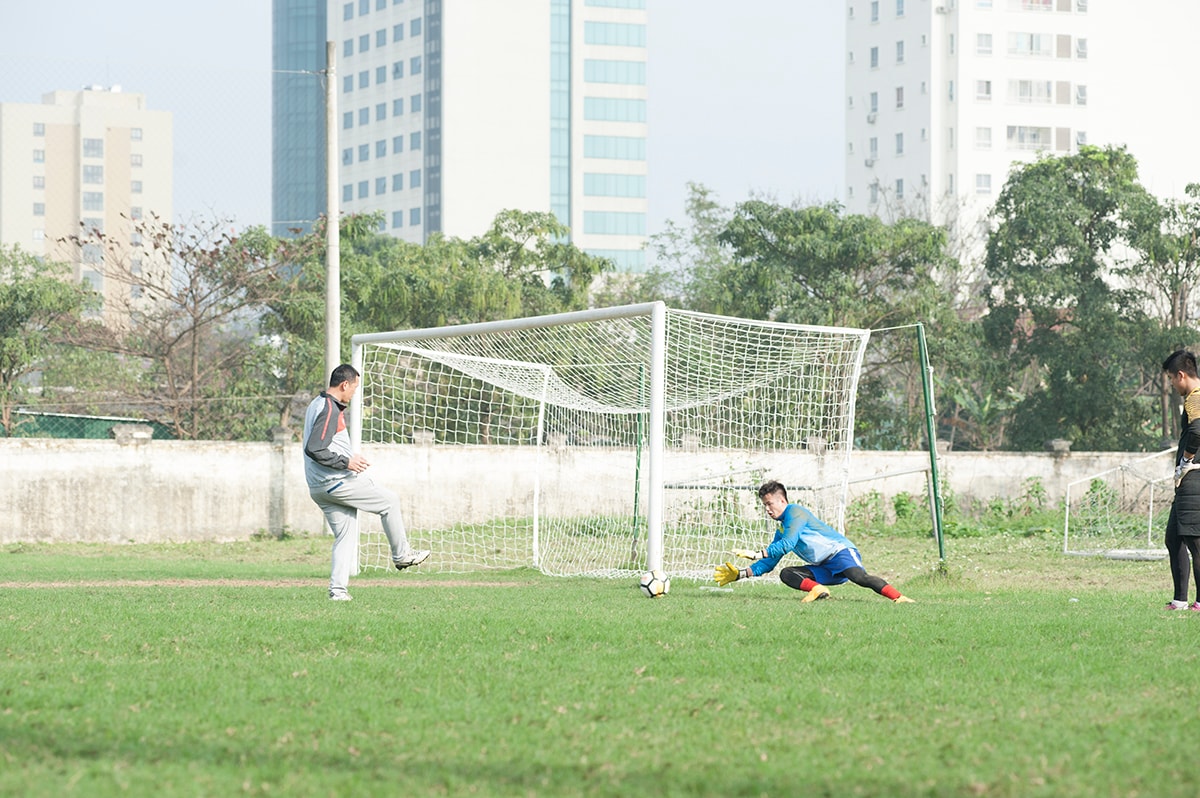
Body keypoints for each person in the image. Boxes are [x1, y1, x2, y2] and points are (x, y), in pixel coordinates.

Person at [303, 363, 429, 601]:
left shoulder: (315, 404)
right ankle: (402, 555)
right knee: (390, 502)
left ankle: (338, 592)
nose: (354, 393)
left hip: (318, 487)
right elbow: (315, 448)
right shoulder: (329, 408)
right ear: (344, 385)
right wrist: (346, 462)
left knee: (346, 536)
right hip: (336, 482)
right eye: (355, 388)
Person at [714, 479, 914, 603]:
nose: (767, 509)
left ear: (782, 501)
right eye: (764, 505)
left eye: (769, 504)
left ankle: (899, 597)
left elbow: (788, 543)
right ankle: (818, 590)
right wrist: (740, 574)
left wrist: (758, 552)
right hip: (823, 567)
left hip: (840, 553)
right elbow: (768, 564)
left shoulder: (795, 512)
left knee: (859, 577)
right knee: (787, 574)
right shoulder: (781, 528)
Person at [1161, 350, 1200, 611]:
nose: (1171, 384)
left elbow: (1197, 430)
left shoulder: (1195, 399)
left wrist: (1186, 460)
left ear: (1182, 375)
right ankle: (1180, 600)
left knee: (1195, 542)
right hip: (1186, 481)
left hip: (1194, 478)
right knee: (1174, 538)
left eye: (1171, 379)